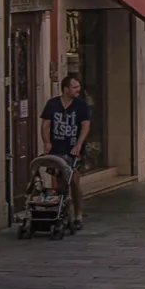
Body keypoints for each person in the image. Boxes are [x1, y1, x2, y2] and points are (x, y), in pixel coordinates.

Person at [40, 75, 91, 228]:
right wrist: (47, 142)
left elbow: (85, 126)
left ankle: (78, 215)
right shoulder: (52, 104)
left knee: (74, 181)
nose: (78, 90)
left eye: (78, 87)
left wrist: (78, 145)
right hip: (57, 148)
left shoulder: (81, 105)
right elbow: (45, 125)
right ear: (65, 89)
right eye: (74, 87)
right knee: (61, 182)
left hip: (73, 151)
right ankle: (60, 211)